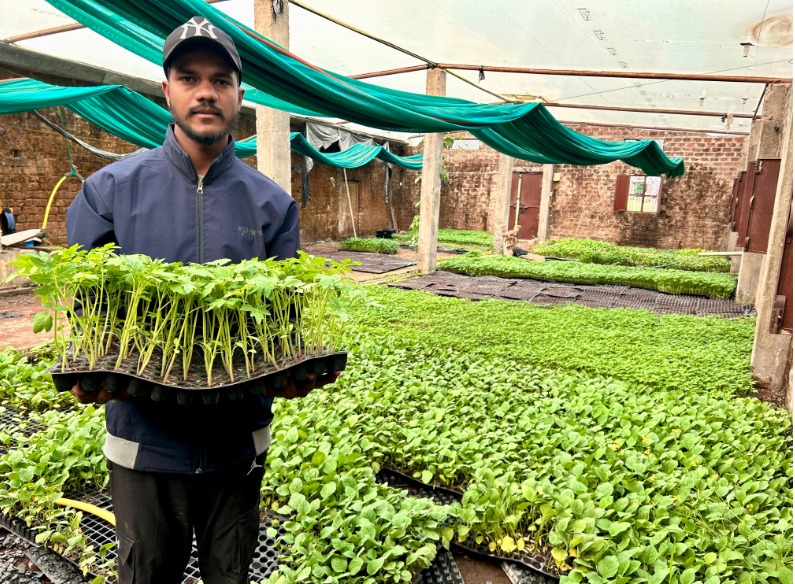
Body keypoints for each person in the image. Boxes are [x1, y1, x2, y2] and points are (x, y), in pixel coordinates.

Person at [66, 16, 336, 584]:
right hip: (144, 445)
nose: (206, 92)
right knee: (146, 573)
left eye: (220, 79)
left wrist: (291, 368)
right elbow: (86, 315)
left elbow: (285, 320)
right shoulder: (109, 190)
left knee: (230, 574)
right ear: (167, 90)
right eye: (189, 78)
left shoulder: (272, 204)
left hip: (236, 447)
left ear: (240, 93)